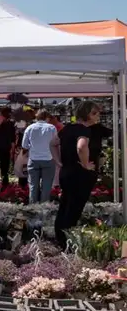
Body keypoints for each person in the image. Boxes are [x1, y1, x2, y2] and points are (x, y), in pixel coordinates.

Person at [55, 101, 101, 247]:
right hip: (79, 175)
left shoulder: (67, 128)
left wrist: (58, 161)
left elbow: (52, 143)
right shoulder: (84, 130)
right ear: (88, 114)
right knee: (74, 209)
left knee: (65, 205)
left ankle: (60, 237)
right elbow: (81, 146)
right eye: (95, 113)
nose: (98, 116)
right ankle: (67, 242)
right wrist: (86, 164)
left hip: (66, 172)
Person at [22, 109, 60, 204]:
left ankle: (33, 205)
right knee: (47, 185)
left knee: (33, 185)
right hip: (48, 158)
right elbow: (55, 143)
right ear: (47, 117)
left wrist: (32, 146)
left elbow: (24, 145)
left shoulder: (30, 128)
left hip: (33, 159)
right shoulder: (51, 128)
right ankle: (44, 205)